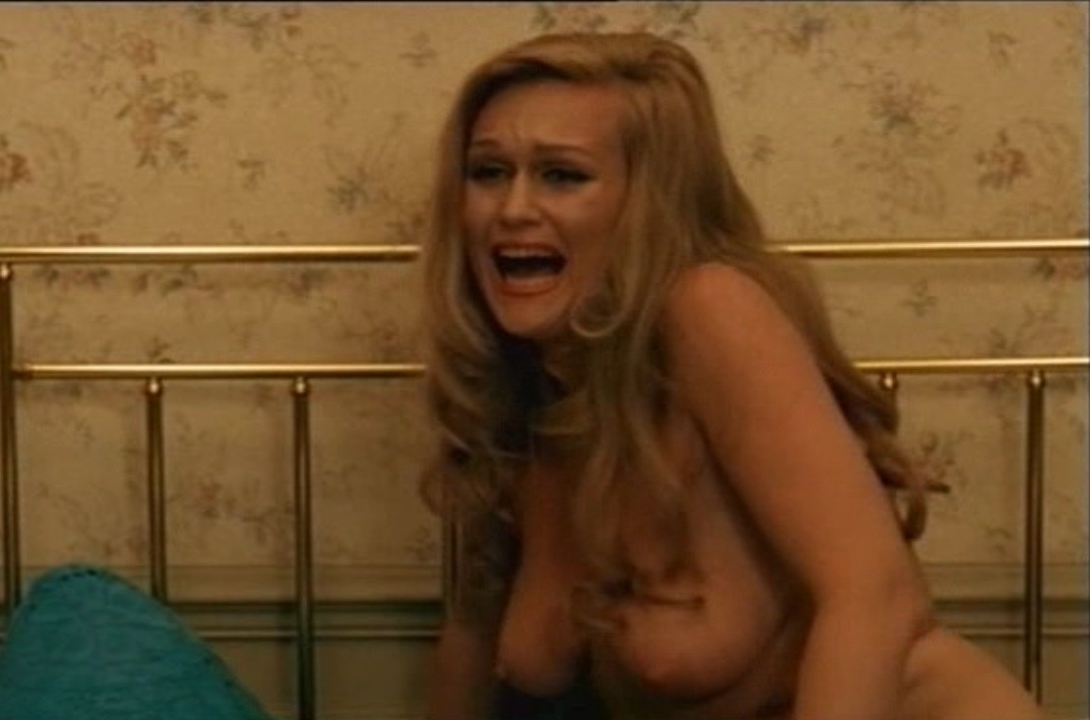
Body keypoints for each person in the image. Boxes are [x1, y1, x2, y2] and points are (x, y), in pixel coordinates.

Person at [417, 31, 1042, 720]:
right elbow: (475, 648)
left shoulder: (707, 308)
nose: (512, 210)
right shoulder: (520, 384)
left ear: (650, 203)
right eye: (488, 173)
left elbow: (878, 595)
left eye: (562, 175)